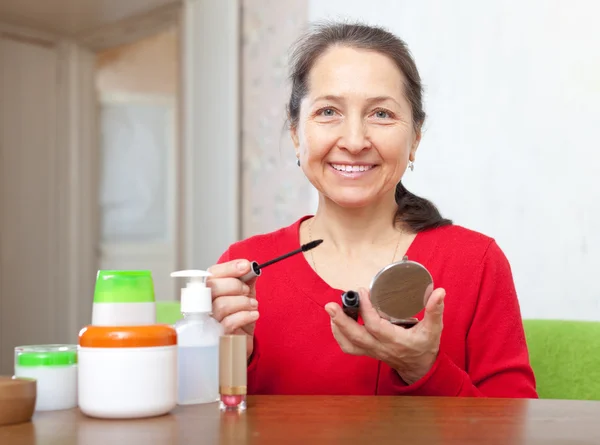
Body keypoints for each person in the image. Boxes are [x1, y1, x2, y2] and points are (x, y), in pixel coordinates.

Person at [207, 21, 538, 398]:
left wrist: (422, 369)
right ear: (296, 133)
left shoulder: (476, 263)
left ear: (415, 137)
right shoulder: (245, 268)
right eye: (328, 111)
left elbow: (515, 429)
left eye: (380, 114)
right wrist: (233, 357)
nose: (354, 141)